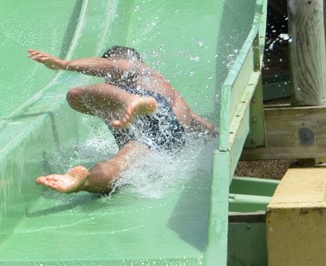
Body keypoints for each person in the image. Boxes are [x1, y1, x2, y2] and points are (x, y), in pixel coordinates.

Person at [27, 45, 218, 195]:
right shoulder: (176, 98)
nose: (107, 80)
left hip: (148, 104)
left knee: (75, 95)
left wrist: (64, 64)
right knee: (120, 165)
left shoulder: (135, 67)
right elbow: (206, 129)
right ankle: (84, 182)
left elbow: (109, 66)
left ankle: (129, 100)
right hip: (169, 140)